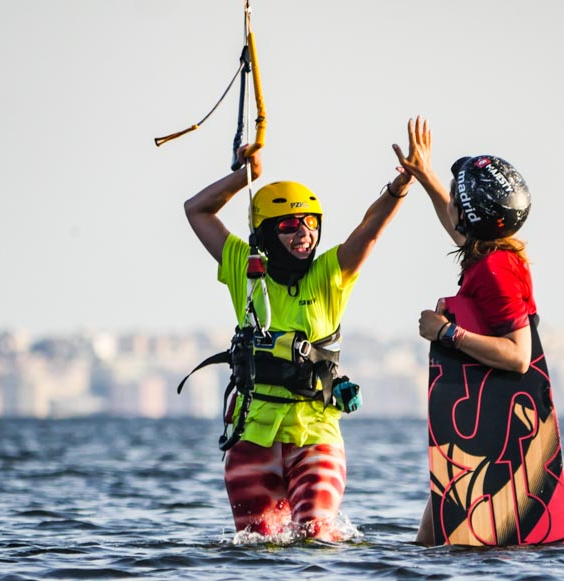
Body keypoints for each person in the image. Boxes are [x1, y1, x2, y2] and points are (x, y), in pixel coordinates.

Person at [183, 143, 413, 542]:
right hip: (252, 436)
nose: (304, 233)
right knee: (257, 543)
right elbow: (197, 210)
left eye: (310, 222)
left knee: (317, 536)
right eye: (289, 225)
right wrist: (244, 176)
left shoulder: (328, 274)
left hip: (316, 435)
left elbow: (369, 230)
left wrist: (401, 184)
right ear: (267, 233)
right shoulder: (244, 266)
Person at [393, 117, 539, 545]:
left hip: (494, 423)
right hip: (480, 417)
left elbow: (519, 355)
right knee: (428, 540)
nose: (452, 206)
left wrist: (445, 334)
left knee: (430, 541)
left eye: (458, 199)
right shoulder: (490, 250)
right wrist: (426, 175)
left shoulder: (497, 270)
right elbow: (457, 220)